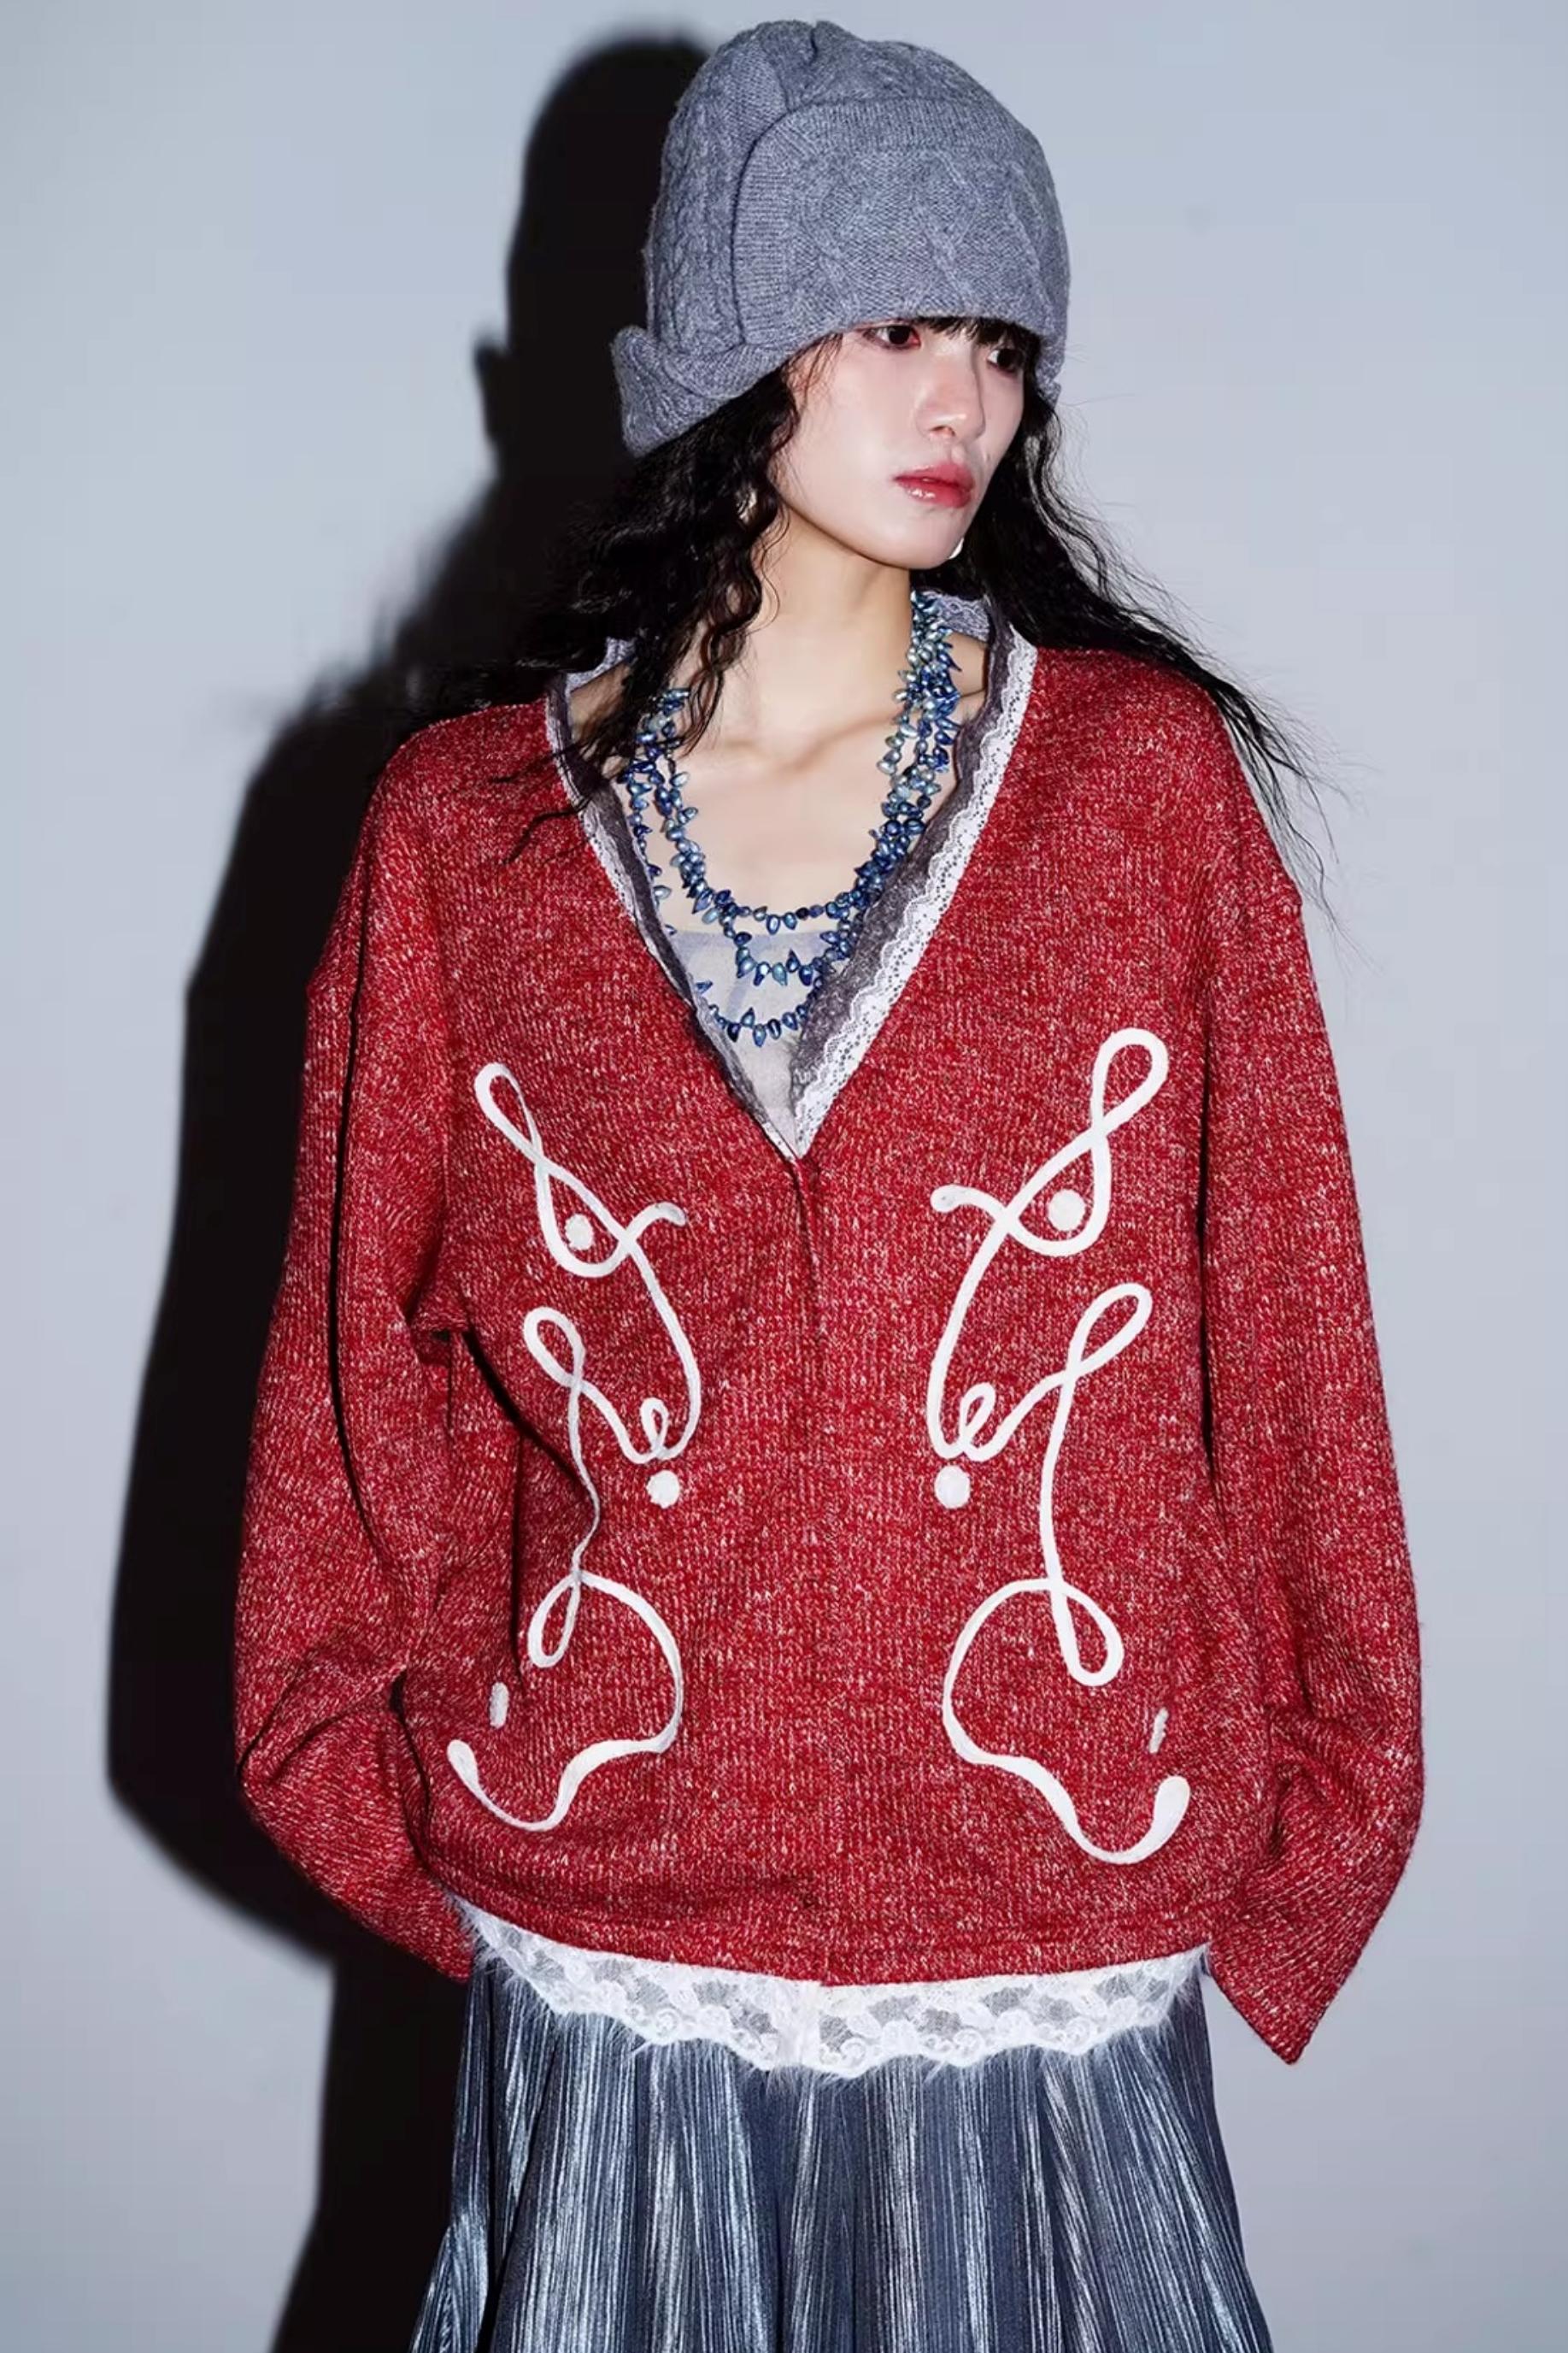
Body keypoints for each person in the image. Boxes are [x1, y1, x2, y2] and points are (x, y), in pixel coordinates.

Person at [233, 20, 1425, 2351]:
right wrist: (384, 1796)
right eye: (892, 324)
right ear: (732, 345)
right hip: (611, 1962)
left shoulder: (1136, 793)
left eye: (1001, 339)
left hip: (1046, 1949)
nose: (961, 397)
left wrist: (1325, 1807)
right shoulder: (463, 836)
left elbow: (1286, 1327)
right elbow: (348, 1387)